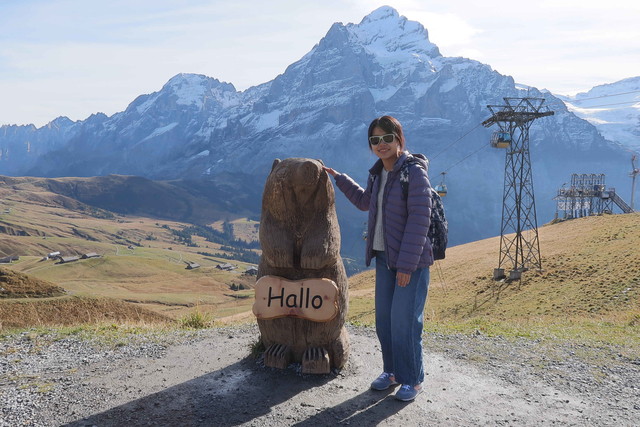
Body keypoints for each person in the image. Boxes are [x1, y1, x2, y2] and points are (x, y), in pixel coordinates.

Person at [323, 115, 433, 402]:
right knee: (384, 321)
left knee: (405, 322)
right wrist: (340, 179)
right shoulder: (378, 174)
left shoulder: (414, 172)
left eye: (387, 138)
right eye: (375, 140)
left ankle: (413, 379)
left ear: (399, 139)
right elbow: (365, 202)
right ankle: (393, 372)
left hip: (411, 262)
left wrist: (407, 266)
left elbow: (420, 220)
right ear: (370, 145)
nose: (381, 144)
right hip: (385, 258)